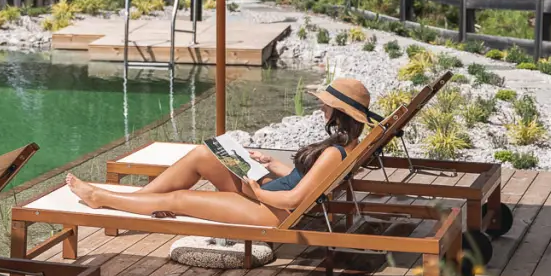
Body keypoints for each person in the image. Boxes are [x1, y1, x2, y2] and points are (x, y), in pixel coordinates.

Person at [66, 77, 378, 227]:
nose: (321, 105)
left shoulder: (335, 153)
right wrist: (271, 165)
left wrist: (256, 189)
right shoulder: (344, 146)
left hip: (271, 210)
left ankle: (102, 199)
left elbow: (296, 200)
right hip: (270, 192)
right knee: (204, 154)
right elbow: (307, 182)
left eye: (326, 103)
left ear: (340, 112)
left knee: (180, 200)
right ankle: (136, 202)